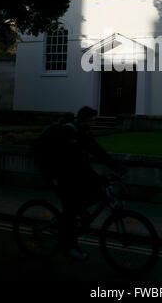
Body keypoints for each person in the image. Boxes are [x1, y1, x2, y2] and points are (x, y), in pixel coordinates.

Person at [38, 106, 127, 261]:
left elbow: (97, 151)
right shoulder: (67, 133)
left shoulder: (83, 133)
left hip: (69, 170)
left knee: (92, 195)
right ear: (81, 120)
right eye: (90, 120)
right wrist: (98, 177)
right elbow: (77, 163)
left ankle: (75, 217)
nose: (93, 123)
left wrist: (118, 168)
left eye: (94, 120)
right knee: (71, 209)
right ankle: (70, 247)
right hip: (55, 171)